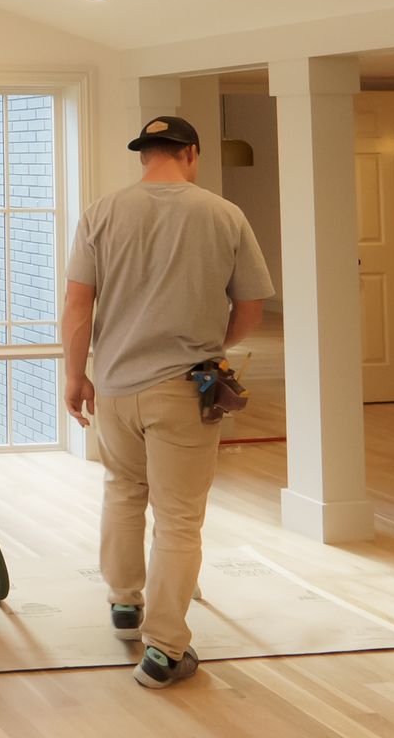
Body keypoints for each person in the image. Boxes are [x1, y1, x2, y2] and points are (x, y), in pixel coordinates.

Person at [61, 115, 274, 689]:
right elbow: (250, 306)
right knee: (179, 520)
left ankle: (124, 603)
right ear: (192, 154)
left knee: (123, 491)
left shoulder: (102, 212)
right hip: (183, 387)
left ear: (143, 156)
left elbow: (78, 307)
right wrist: (214, 341)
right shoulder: (223, 214)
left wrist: (75, 376)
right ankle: (164, 649)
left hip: (117, 386)